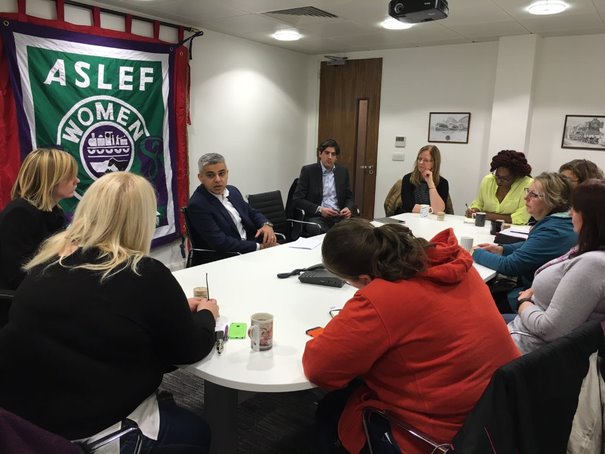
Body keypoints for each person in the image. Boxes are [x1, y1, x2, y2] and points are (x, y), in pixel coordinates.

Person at [0, 172, 218, 453]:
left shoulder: (46, 262)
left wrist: (171, 309)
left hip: (26, 423)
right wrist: (207, 315)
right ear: (142, 220)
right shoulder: (143, 274)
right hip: (93, 429)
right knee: (198, 431)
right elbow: (189, 350)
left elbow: (97, 315)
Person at [302, 219, 520, 454]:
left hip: (448, 436)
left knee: (330, 409)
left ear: (364, 279)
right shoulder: (454, 264)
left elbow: (320, 369)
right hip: (502, 415)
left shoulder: (383, 298)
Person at [508, 179, 605, 354]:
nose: (570, 213)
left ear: (588, 216)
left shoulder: (593, 264)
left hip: (528, 350)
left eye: (575, 208)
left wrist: (524, 303)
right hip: (525, 330)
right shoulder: (588, 250)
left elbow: (549, 330)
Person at [473, 172, 578, 313]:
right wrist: (503, 249)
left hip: (533, 301)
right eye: (528, 191)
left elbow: (510, 266)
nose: (526, 197)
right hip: (539, 292)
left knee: (476, 301)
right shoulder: (562, 222)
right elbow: (533, 244)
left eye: (533, 195)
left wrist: (475, 253)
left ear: (553, 200)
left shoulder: (554, 231)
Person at [0, 147, 79, 290]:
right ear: (51, 179)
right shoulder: (20, 214)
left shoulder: (54, 212)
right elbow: (15, 274)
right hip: (19, 297)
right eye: (70, 176)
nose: (77, 180)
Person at [188, 153, 277, 254]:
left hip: (251, 245)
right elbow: (221, 242)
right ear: (200, 177)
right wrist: (260, 247)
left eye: (221, 173)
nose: (218, 180)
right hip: (228, 255)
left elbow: (252, 212)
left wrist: (266, 224)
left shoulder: (233, 191)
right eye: (210, 175)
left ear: (227, 173)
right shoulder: (198, 205)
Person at [293, 139, 355, 236]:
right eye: (327, 153)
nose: (330, 157)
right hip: (318, 217)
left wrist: (348, 208)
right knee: (317, 228)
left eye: (333, 154)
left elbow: (349, 197)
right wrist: (320, 210)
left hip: (339, 216)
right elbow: (297, 199)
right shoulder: (308, 171)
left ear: (336, 157)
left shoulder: (343, 171)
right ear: (320, 154)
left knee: (357, 229)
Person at [465, 149, 533, 225]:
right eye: (497, 176)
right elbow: (479, 203)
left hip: (513, 229)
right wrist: (474, 210)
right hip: (485, 227)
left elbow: (521, 217)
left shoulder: (528, 184)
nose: (499, 181)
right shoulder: (488, 180)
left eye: (505, 179)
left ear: (516, 176)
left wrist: (488, 215)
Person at [400, 145, 448, 214]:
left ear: (434, 163)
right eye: (419, 159)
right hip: (410, 217)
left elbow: (439, 210)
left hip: (432, 219)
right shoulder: (408, 179)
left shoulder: (443, 183)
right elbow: (408, 206)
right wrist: (431, 209)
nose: (421, 162)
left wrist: (431, 184)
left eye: (426, 160)